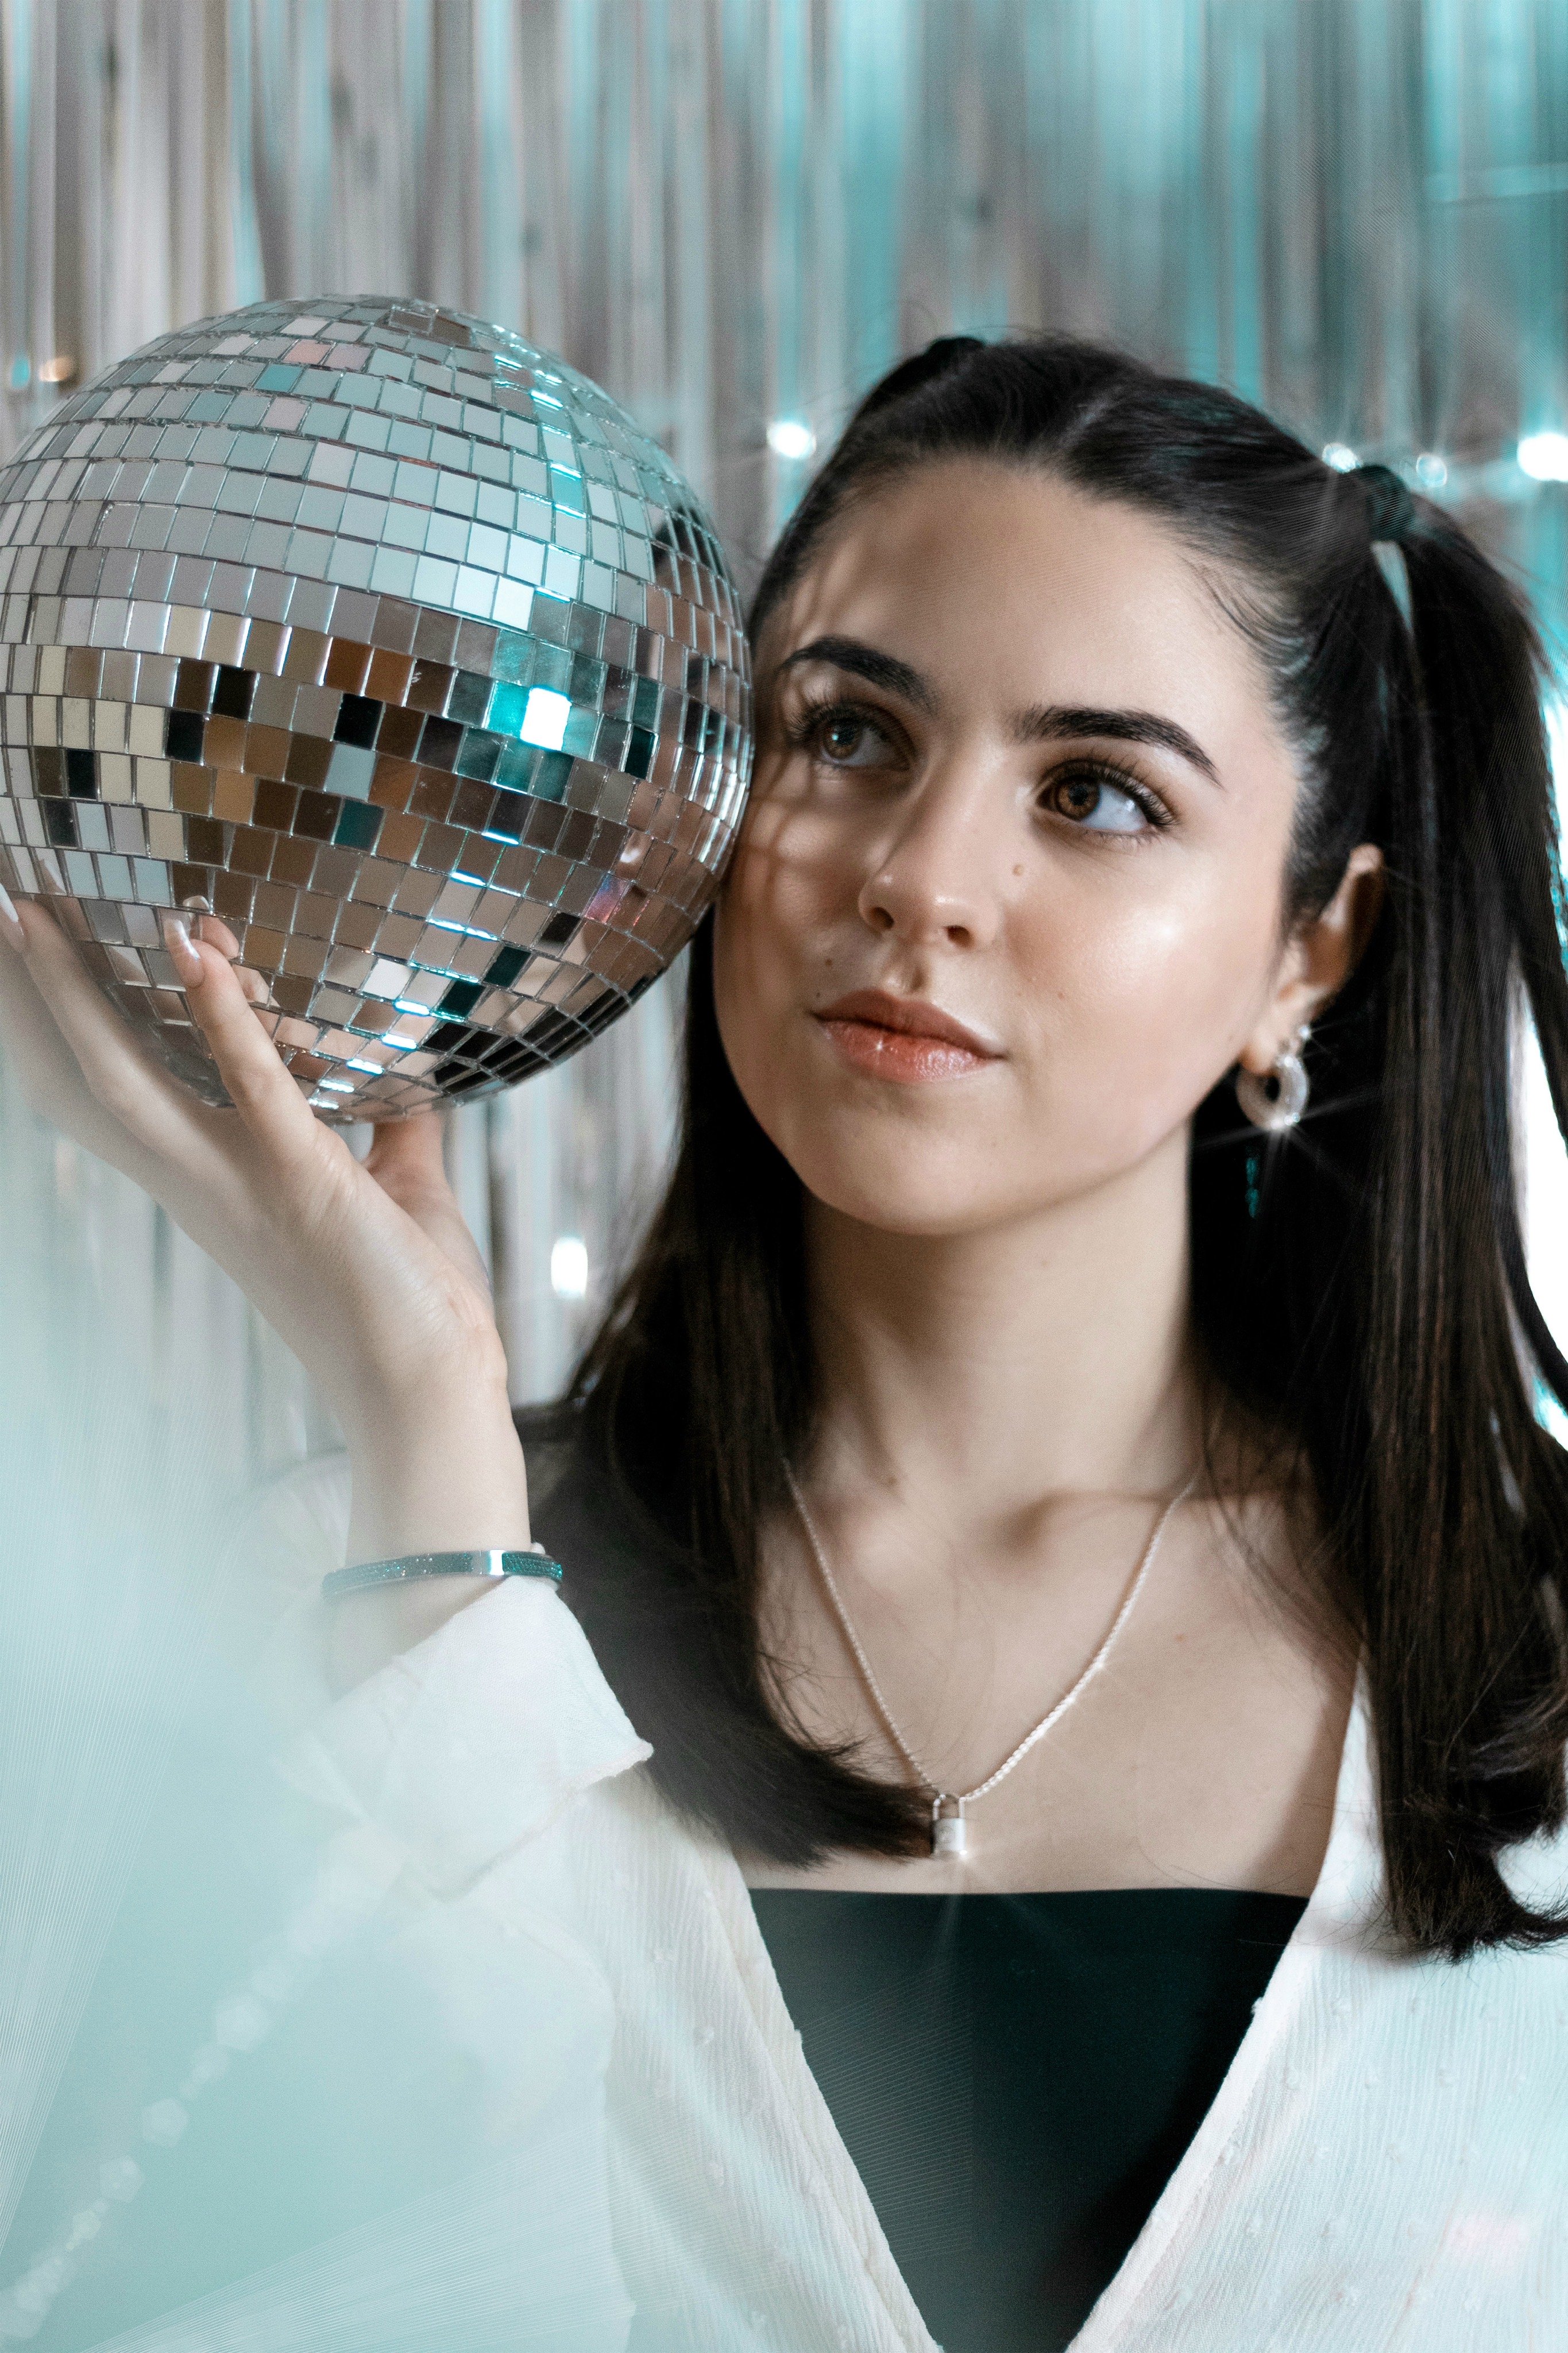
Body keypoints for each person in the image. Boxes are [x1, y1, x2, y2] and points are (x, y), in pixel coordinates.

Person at [3, 334, 1568, 2352]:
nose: (919, 881)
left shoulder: (1529, 1651)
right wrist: (428, 1500)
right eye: (843, 738)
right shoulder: (301, 1582)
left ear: (1307, 946)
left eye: (1093, 795)